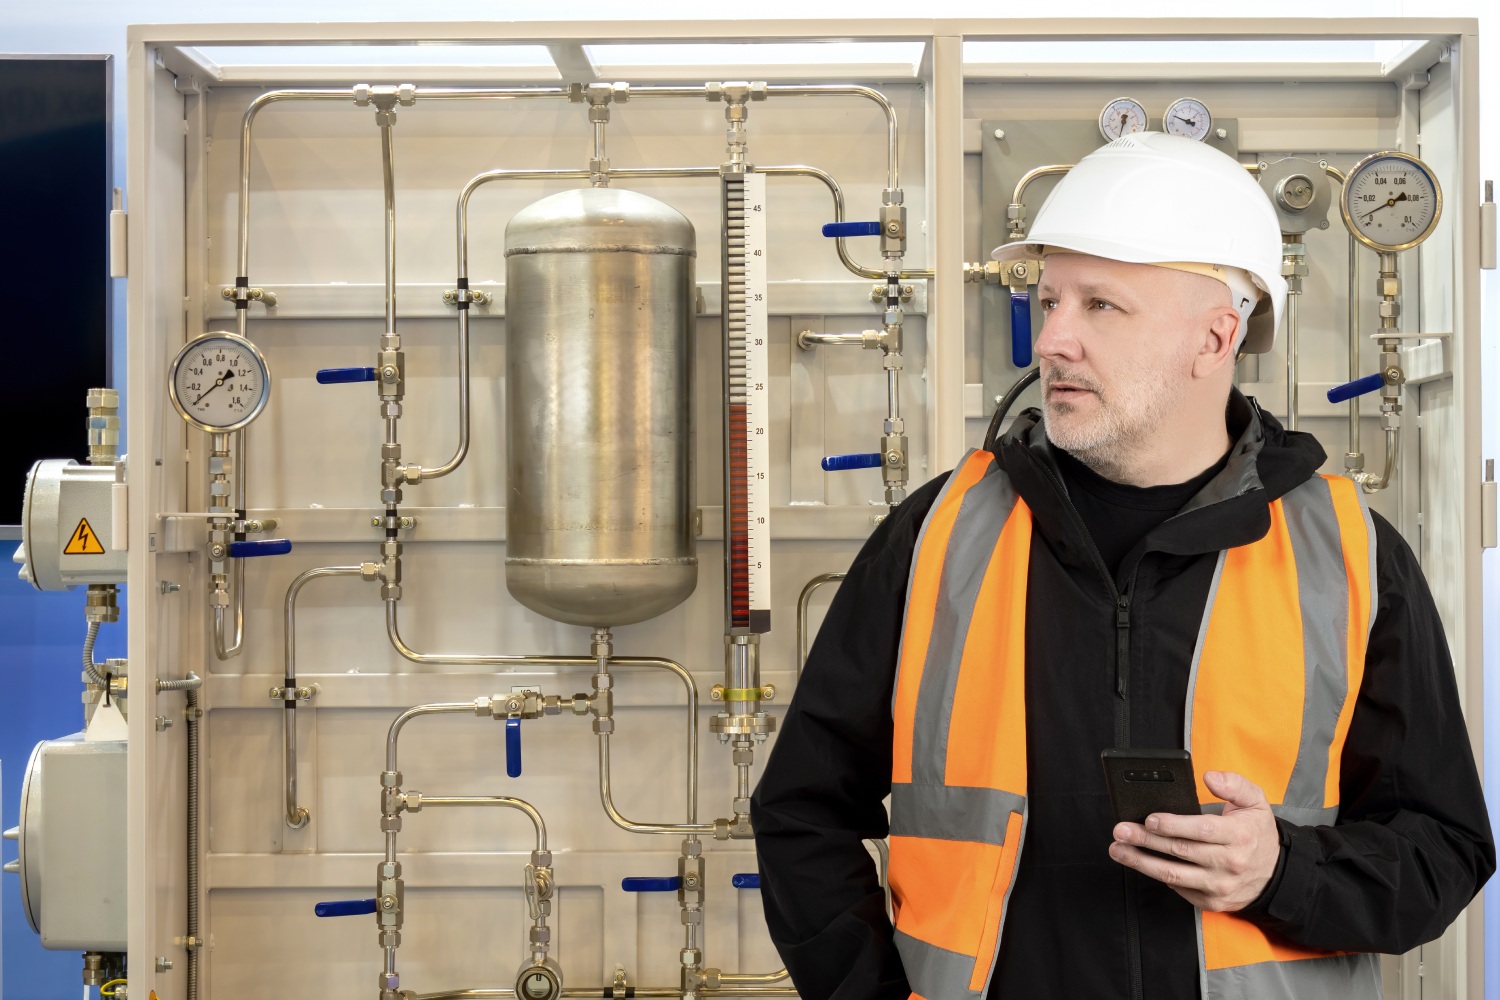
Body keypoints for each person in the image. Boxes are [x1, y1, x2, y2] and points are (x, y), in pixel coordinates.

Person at [750, 132, 1493, 1000]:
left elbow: (1442, 852)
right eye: (1049, 299)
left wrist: (1283, 872)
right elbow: (800, 811)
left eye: (1100, 305)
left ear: (1215, 337)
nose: (1052, 339)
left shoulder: (1349, 555)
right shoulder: (941, 535)